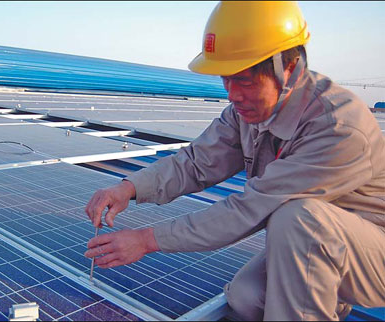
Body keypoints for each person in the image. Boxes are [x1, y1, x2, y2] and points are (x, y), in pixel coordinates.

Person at [84, 2, 385, 320]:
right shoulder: (252, 111)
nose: (232, 94)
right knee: (246, 297)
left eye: (244, 80)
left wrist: (145, 240)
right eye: (225, 79)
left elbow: (251, 209)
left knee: (298, 217)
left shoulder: (339, 127)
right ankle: (320, 293)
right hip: (317, 243)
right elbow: (196, 162)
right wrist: (129, 187)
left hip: (372, 254)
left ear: (291, 68)